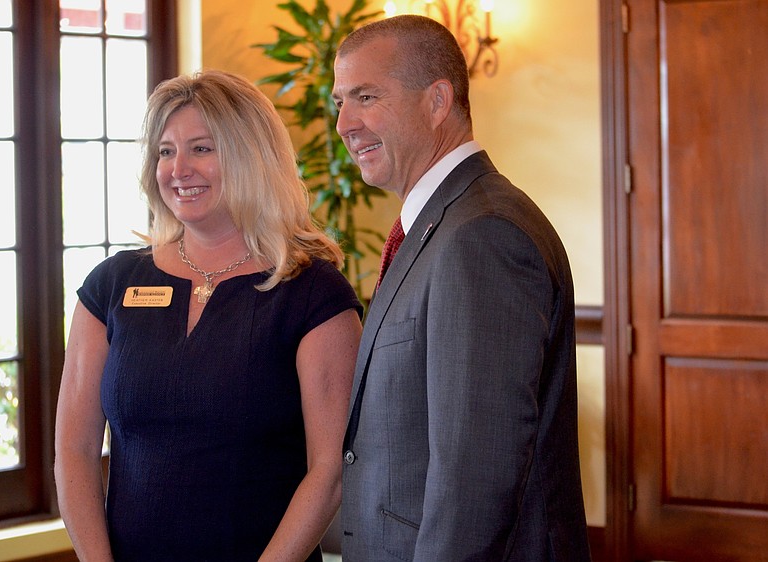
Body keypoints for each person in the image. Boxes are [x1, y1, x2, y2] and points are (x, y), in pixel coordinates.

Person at [55, 69, 363, 562]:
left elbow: (328, 473)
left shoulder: (313, 293)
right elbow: (74, 451)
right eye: (165, 151)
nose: (178, 169)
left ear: (250, 156)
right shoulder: (111, 284)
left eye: (201, 148)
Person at [331, 15, 591, 561]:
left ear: (437, 101)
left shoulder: (482, 234)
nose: (344, 124)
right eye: (339, 102)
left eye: (366, 97)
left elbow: (478, 474)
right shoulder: (443, 223)